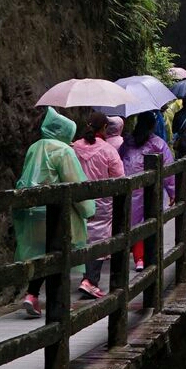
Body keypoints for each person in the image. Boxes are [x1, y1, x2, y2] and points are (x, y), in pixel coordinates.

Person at [13, 107, 96, 318]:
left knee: (40, 255)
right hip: (56, 214)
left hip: (33, 212)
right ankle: (59, 301)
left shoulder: (35, 147)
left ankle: (31, 295)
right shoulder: (63, 150)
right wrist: (88, 208)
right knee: (59, 255)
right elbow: (74, 182)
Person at [73, 112, 125, 299]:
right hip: (102, 202)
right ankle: (90, 281)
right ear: (104, 128)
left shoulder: (75, 147)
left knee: (81, 236)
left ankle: (84, 278)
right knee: (99, 239)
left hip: (77, 201)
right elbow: (119, 176)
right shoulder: (108, 150)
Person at [120, 112, 175, 272]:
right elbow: (169, 170)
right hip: (149, 190)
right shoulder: (157, 144)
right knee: (146, 220)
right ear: (153, 125)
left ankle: (134, 256)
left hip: (128, 187)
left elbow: (119, 160)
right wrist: (172, 192)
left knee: (131, 221)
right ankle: (141, 259)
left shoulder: (127, 142)